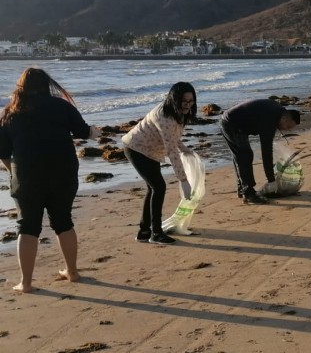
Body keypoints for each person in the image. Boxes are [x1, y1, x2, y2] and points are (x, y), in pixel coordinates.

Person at [0, 68, 100, 293]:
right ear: (47, 85)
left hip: (27, 175)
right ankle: (72, 272)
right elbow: (83, 132)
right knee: (63, 221)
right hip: (63, 172)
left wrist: (13, 172)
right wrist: (94, 132)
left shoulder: (10, 113)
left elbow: (3, 152)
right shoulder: (61, 106)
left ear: (21, 87)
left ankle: (26, 283)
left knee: (27, 226)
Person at [122, 82, 197, 245]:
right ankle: (156, 233)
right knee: (159, 187)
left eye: (191, 101)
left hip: (151, 152)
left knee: (153, 187)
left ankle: (144, 231)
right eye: (184, 101)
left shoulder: (177, 112)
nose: (188, 105)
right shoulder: (164, 117)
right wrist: (183, 180)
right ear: (175, 99)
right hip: (136, 149)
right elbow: (171, 151)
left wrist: (184, 148)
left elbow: (173, 137)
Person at [220, 99, 300, 204]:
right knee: (245, 155)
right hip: (231, 123)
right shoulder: (270, 119)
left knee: (240, 155)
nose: (286, 130)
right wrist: (271, 180)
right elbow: (266, 151)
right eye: (288, 126)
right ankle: (248, 193)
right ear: (285, 118)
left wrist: (271, 179)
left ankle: (242, 188)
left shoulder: (278, 112)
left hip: (238, 123)